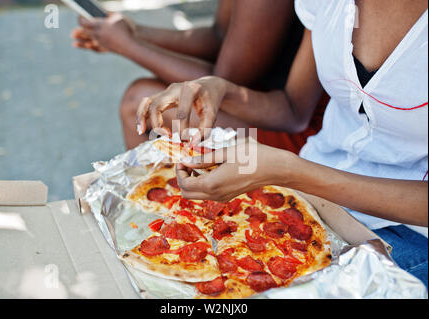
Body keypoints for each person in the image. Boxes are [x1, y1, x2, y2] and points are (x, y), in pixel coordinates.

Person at [136, 0, 429, 287]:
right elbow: (292, 110)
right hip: (303, 192)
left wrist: (293, 173)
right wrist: (222, 90)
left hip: (408, 234)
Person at [71, 0, 326, 151]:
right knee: (145, 96)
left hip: (301, 133)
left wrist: (127, 46)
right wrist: (134, 32)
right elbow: (219, 38)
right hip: (261, 101)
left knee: (139, 101)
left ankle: (164, 220)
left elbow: (220, 82)